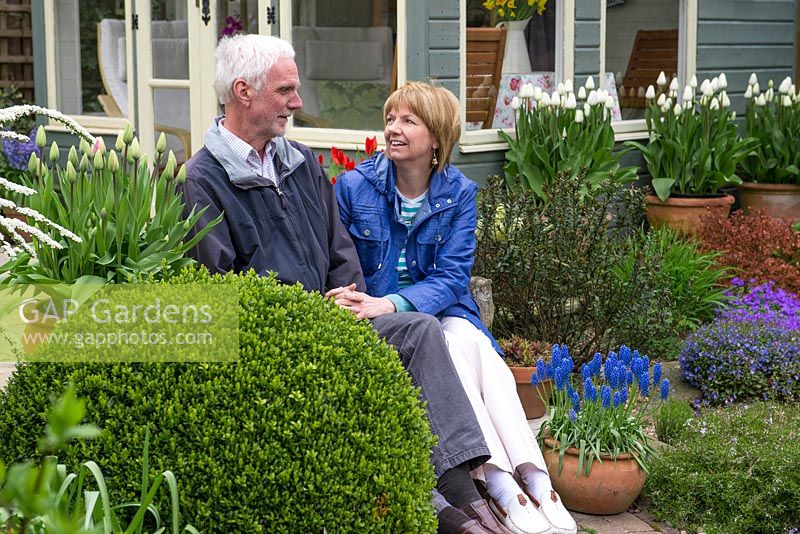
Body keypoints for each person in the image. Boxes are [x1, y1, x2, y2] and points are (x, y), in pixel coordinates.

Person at [181, 34, 513, 534]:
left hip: (333, 319)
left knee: (421, 330)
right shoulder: (201, 181)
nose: (297, 102)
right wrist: (307, 325)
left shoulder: (297, 164)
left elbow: (341, 252)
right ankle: (448, 516)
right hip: (278, 343)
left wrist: (352, 300)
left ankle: (466, 494)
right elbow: (220, 292)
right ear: (244, 92)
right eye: (286, 90)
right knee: (357, 388)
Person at [330, 82, 578, 534]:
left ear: (438, 138)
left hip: (443, 307)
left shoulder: (459, 192)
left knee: (482, 354)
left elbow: (451, 277)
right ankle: (502, 485)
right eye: (390, 119)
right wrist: (370, 302)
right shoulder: (353, 187)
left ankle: (532, 478)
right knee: (450, 353)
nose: (393, 129)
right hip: (391, 320)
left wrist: (392, 301)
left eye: (408, 120)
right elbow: (342, 261)